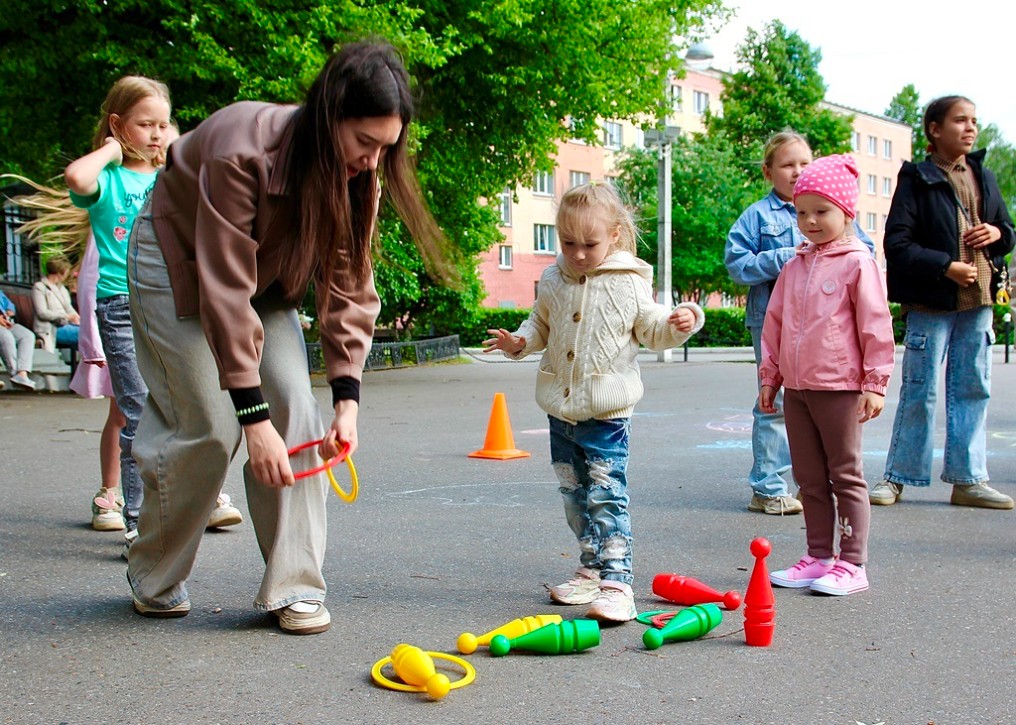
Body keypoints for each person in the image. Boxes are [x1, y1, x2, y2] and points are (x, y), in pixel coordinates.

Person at [125, 40, 456, 634]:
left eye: (388, 147)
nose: (375, 161)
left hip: (270, 272)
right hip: (179, 256)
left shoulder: (360, 175)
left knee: (299, 411)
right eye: (365, 143)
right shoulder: (239, 150)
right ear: (330, 119)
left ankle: (294, 584)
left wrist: (347, 401)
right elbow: (224, 290)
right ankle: (154, 572)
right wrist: (253, 423)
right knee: (209, 422)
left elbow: (350, 284)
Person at [483, 181, 705, 622]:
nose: (578, 253)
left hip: (606, 412)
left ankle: (618, 580)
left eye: (590, 243)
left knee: (606, 493)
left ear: (615, 235)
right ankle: (590, 569)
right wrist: (519, 342)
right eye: (568, 243)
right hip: (561, 411)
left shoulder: (629, 281)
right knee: (573, 493)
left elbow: (653, 327)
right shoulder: (552, 279)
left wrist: (684, 320)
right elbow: (539, 326)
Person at [65, 77, 242, 551]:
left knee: (194, 404)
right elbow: (77, 180)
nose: (157, 133)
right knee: (139, 412)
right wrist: (109, 149)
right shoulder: (110, 177)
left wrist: (178, 154)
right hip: (120, 304)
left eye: (164, 124)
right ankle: (140, 518)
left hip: (175, 301)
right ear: (119, 125)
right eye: (145, 125)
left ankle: (200, 496)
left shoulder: (171, 176)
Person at [759, 155, 895, 596]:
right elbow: (774, 325)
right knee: (809, 477)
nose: (810, 221)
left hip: (839, 388)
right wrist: (770, 377)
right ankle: (819, 556)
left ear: (846, 212)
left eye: (822, 211)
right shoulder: (794, 266)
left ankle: (853, 563)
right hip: (798, 389)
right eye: (802, 212)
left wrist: (874, 384)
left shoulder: (858, 263)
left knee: (846, 474)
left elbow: (875, 325)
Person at [871, 95, 1016, 510]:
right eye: (959, 120)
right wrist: (945, 267)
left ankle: (968, 480)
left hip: (980, 300)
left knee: (973, 388)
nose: (970, 128)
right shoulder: (916, 178)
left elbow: (1007, 230)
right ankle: (897, 478)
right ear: (934, 130)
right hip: (931, 302)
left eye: (974, 120)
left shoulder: (983, 175)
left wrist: (996, 233)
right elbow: (897, 244)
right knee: (920, 390)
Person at [725, 130, 875, 516]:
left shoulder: (833, 204)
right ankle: (769, 485)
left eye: (804, 163)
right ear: (768, 171)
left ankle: (816, 481)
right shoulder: (757, 216)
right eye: (787, 164)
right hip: (774, 323)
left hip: (827, 330)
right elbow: (737, 265)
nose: (796, 171)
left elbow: (865, 255)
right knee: (772, 399)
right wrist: (786, 258)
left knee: (820, 402)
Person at [31, 256, 80, 352]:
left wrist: (77, 318)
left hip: (67, 325)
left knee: (92, 330)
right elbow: (42, 313)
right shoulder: (40, 287)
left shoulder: (62, 288)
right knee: (89, 334)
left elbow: (68, 307)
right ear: (61, 271)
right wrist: (67, 316)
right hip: (51, 328)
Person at [0, 289, 37, 390]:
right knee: (6, 336)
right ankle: (14, 373)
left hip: (6, 323)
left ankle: (22, 373)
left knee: (27, 336)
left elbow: (9, 304)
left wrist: (9, 311)